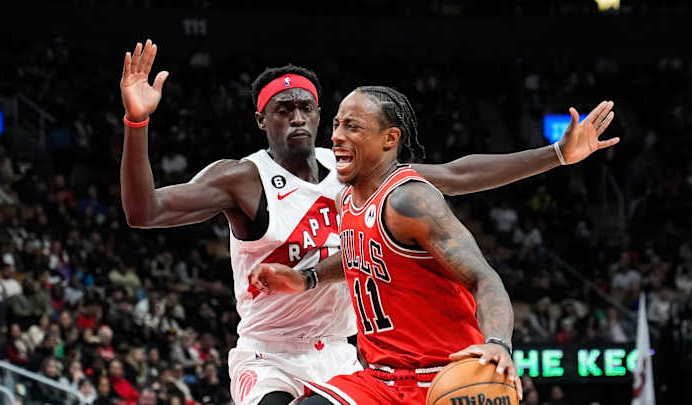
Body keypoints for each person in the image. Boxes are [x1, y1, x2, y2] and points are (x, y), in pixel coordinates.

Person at [119, 40, 616, 405]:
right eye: (283, 109)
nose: (298, 118)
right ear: (261, 120)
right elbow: (144, 213)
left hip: (344, 352)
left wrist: (556, 154)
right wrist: (137, 122)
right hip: (272, 353)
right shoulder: (242, 178)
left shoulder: (357, 176)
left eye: (307, 108)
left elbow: (458, 174)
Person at [250, 86, 618, 404]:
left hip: (444, 376)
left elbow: (484, 277)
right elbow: (359, 254)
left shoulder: (408, 199)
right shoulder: (346, 199)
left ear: (389, 139)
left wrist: (498, 343)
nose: (336, 136)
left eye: (352, 126)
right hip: (379, 380)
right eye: (336, 125)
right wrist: (308, 278)